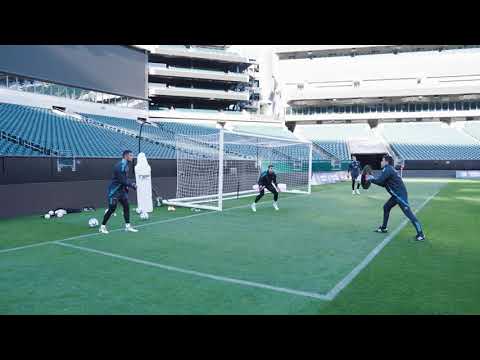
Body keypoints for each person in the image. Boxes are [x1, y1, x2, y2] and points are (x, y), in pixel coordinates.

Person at [365, 155, 425, 241]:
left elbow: (379, 181)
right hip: (396, 195)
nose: (381, 162)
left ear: (386, 162)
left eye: (382, 160)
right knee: (386, 207)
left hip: (400, 196)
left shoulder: (387, 169)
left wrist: (371, 178)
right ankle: (384, 228)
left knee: (409, 214)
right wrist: (372, 179)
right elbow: (383, 184)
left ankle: (421, 234)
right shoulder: (388, 169)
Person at [100, 150, 138, 234]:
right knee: (112, 209)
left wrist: (128, 187)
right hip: (114, 191)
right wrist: (132, 185)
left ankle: (127, 226)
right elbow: (122, 180)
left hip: (122, 191)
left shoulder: (126, 165)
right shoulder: (120, 166)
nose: (132, 157)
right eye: (131, 155)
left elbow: (124, 179)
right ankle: (102, 227)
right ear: (126, 156)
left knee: (126, 206)